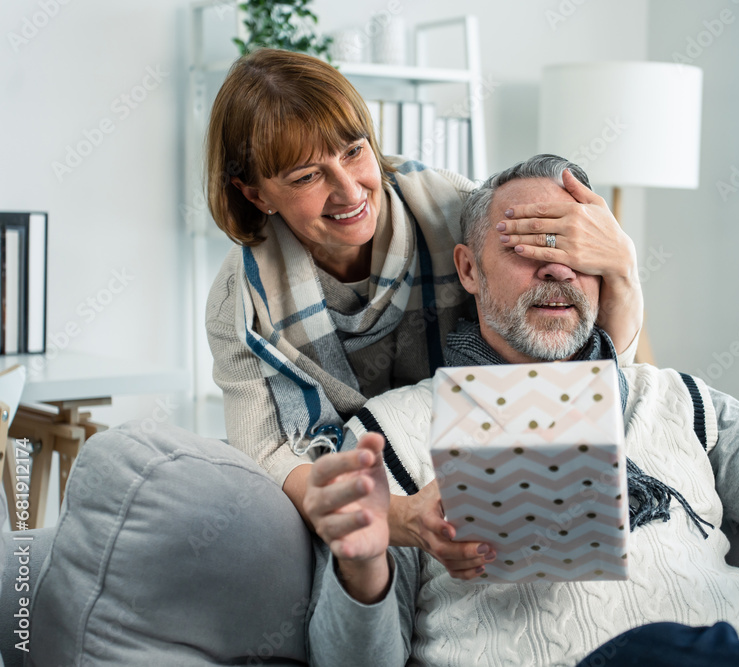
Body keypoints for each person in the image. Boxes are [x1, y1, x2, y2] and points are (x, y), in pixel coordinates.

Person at [302, 154, 739, 666]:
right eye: (527, 245)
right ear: (468, 268)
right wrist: (362, 567)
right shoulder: (387, 435)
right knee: (652, 651)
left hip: (732, 656)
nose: (557, 268)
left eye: (576, 247)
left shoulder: (678, 402)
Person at [202, 49, 643, 574]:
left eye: (353, 151)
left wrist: (624, 267)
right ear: (255, 193)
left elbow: (581, 356)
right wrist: (396, 516)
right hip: (352, 494)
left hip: (476, 454)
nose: (348, 191)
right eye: (305, 177)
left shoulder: (454, 212)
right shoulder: (242, 303)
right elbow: (273, 455)